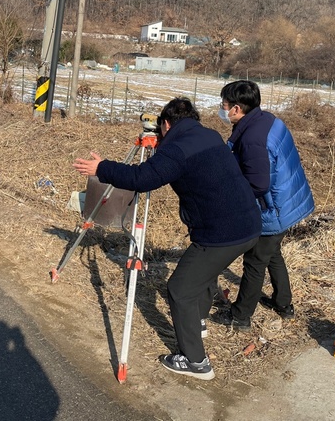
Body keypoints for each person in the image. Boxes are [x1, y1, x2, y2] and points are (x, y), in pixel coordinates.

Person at [73, 97, 261, 380]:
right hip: (248, 225)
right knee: (202, 274)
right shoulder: (207, 135)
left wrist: (102, 168)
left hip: (221, 233)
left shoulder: (177, 149)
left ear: (166, 124)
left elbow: (142, 178)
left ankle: (196, 361)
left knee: (180, 288)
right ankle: (197, 322)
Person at [212, 80, 315, 331]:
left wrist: (232, 201)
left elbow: (257, 184)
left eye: (224, 105)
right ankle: (283, 304)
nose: (222, 110)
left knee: (256, 259)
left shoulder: (253, 139)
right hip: (289, 199)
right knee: (272, 253)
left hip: (274, 208)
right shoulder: (266, 120)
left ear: (237, 109)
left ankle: (240, 315)